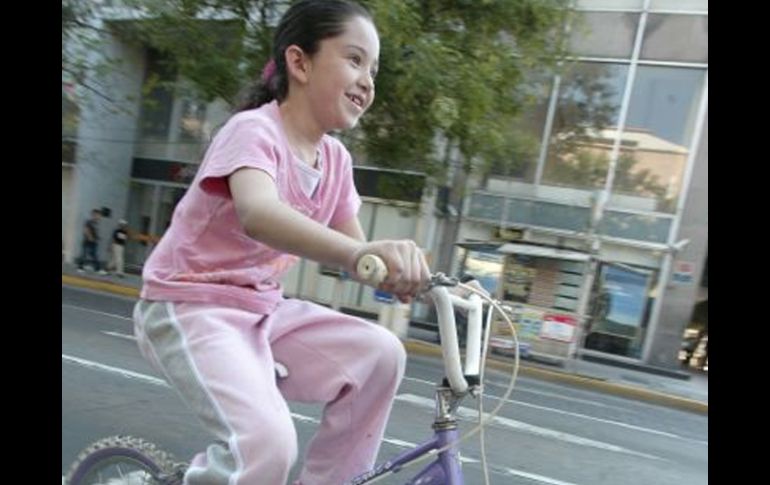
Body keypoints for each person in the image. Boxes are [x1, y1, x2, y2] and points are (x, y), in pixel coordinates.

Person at [132, 2, 431, 483]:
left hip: (262, 312)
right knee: (267, 447)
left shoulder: (335, 159)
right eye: (355, 60)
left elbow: (359, 257)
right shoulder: (253, 130)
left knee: (382, 353)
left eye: (374, 70)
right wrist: (361, 254)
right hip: (189, 305)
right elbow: (259, 213)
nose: (368, 80)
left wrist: (404, 274)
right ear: (300, 62)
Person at [77, 209, 107, 275]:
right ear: (94, 215)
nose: (99, 217)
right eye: (98, 215)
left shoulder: (96, 223)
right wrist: (90, 237)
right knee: (83, 254)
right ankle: (80, 268)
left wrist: (98, 238)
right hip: (87, 241)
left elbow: (95, 232)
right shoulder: (88, 222)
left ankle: (97, 269)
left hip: (94, 242)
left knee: (94, 255)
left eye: (100, 215)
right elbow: (85, 230)